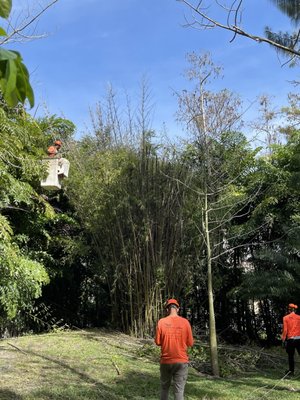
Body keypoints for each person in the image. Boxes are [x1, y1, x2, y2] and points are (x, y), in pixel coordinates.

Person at [155, 299, 194, 400]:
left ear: (167, 309)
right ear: (178, 309)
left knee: (164, 388)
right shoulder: (185, 322)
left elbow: (158, 342)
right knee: (179, 391)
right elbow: (190, 343)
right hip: (181, 361)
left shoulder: (161, 322)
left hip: (166, 361)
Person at [281, 303, 300, 376]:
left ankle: (291, 372)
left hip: (290, 339)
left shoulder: (285, 318)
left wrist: (283, 340)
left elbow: (285, 330)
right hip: (299, 339)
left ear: (289, 310)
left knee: (291, 356)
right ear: (295, 310)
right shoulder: (299, 317)